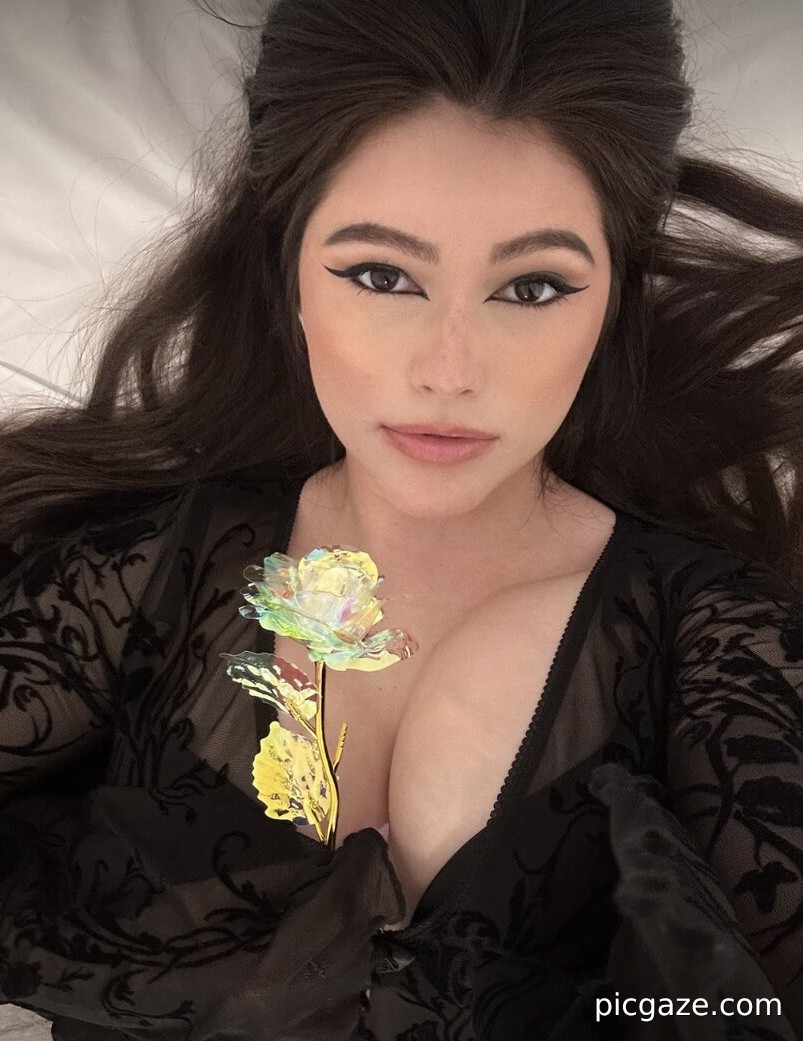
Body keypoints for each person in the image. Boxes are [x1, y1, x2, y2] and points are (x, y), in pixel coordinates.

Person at [0, 0, 802, 1037]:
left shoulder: (712, 641)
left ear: (612, 299)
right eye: (381, 276)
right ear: (289, 274)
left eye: (531, 288)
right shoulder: (145, 578)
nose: (447, 371)